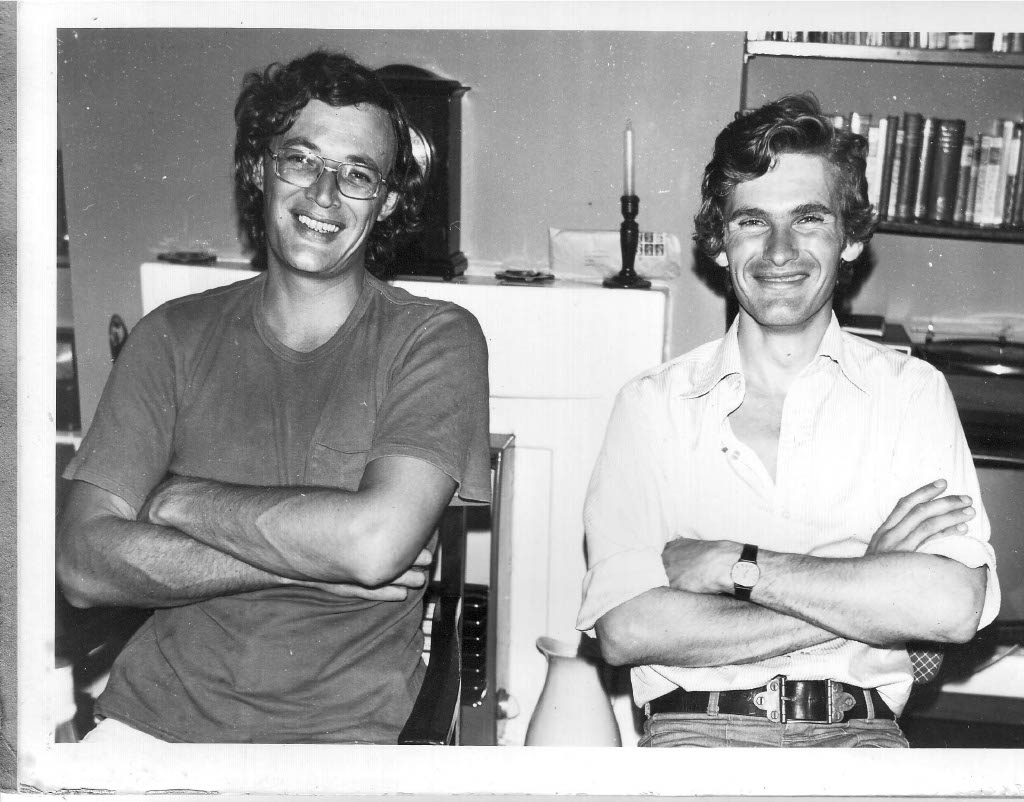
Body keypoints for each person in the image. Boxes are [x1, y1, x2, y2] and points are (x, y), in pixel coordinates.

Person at [57, 50, 491, 745]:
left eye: (357, 174)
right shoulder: (171, 336)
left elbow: (375, 546)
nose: (324, 194)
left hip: (337, 742)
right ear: (261, 168)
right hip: (150, 726)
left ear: (389, 202)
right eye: (301, 159)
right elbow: (81, 563)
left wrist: (177, 500)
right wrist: (315, 559)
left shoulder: (435, 340)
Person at [576, 94, 999, 748]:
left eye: (808, 219)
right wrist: (867, 575)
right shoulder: (652, 406)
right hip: (696, 735)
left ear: (851, 236)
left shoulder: (912, 393)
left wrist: (734, 568)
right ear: (719, 243)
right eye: (751, 222)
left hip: (864, 739)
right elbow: (626, 630)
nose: (779, 251)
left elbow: (951, 609)